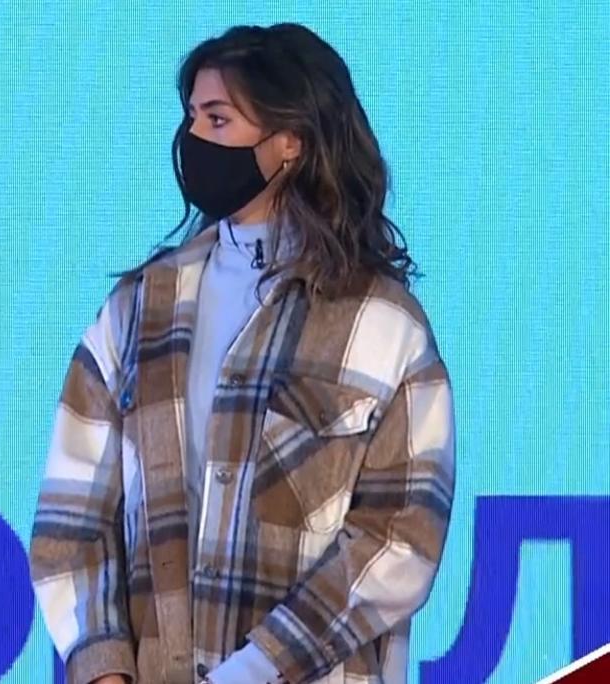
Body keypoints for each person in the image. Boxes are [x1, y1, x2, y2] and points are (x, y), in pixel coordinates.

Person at [29, 21, 456, 684]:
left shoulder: (382, 324)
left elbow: (399, 540)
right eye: (191, 117)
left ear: (291, 141)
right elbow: (72, 520)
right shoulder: (137, 309)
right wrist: (103, 668)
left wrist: (251, 672)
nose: (193, 139)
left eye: (218, 119)